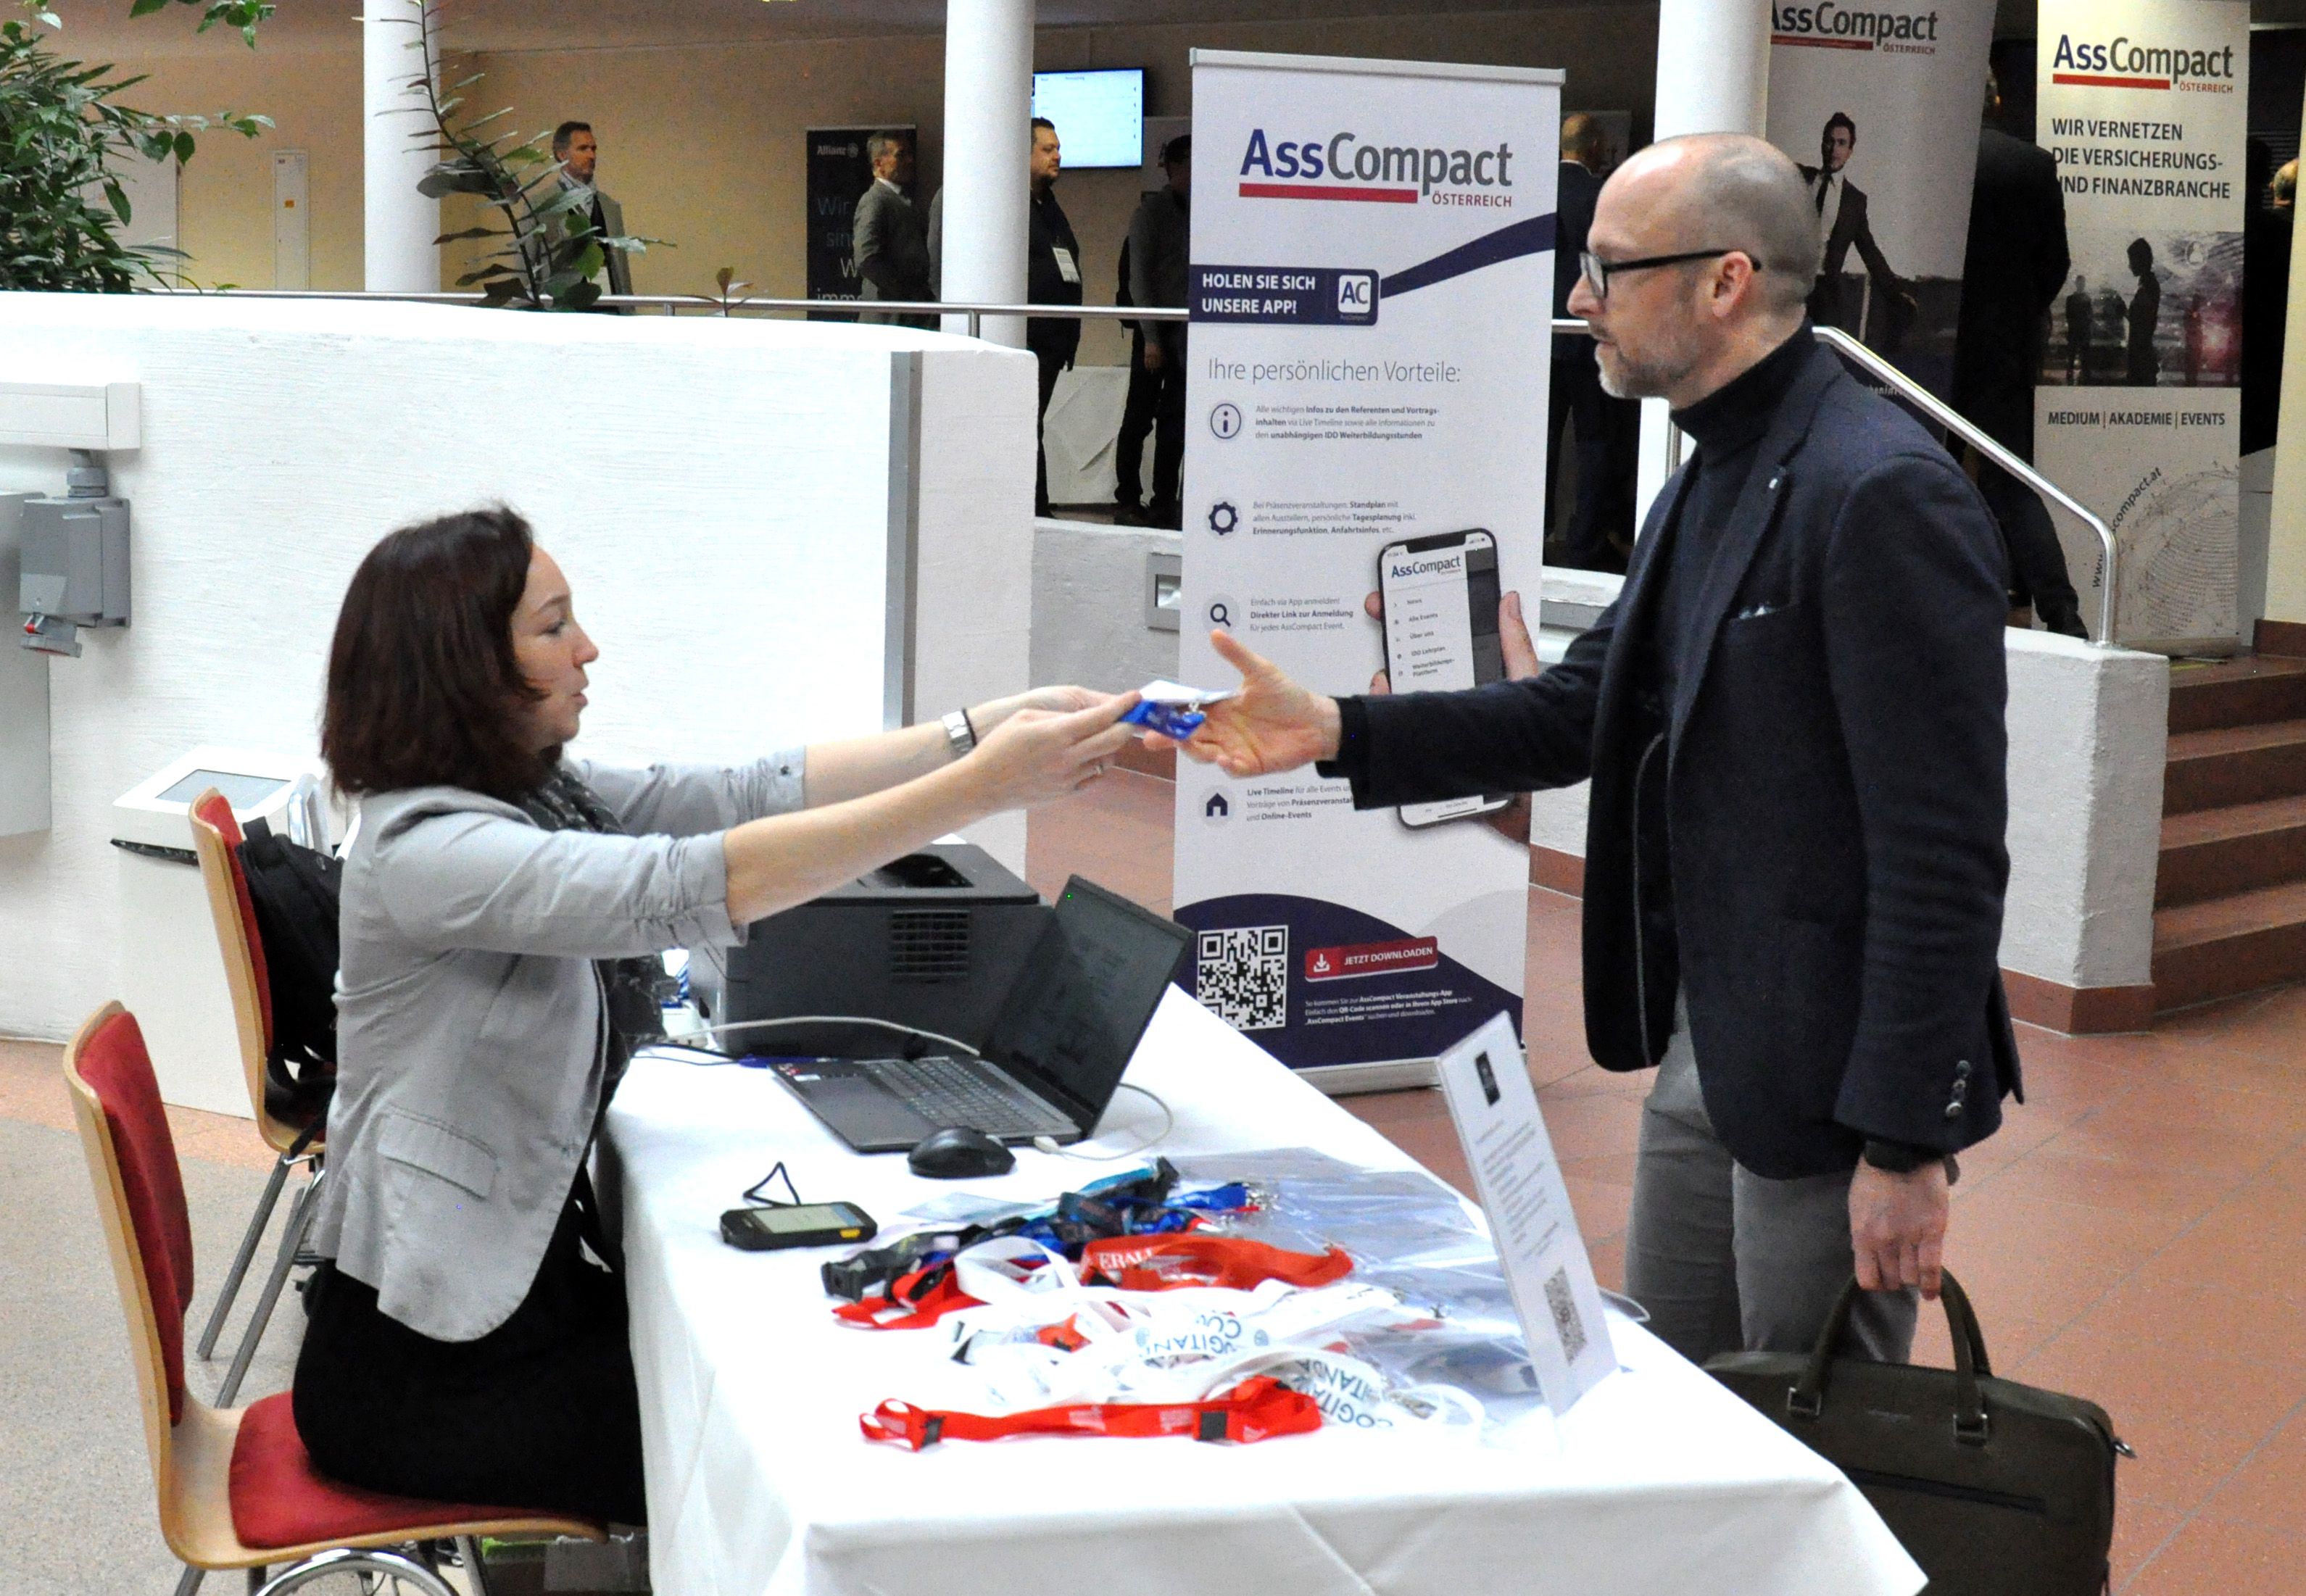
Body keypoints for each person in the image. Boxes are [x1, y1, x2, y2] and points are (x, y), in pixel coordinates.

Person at [1156, 133, 2018, 1369]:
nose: (1579, 296)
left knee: (1819, 1424)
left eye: (1608, 267)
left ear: (1724, 281)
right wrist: (1336, 728)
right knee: (1672, 1382)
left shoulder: (1878, 490)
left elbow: (1943, 853)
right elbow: (1577, 710)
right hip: (1715, 1039)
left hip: (1832, 1084)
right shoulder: (1713, 473)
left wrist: (1903, 1142)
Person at [292, 508, 1136, 1521]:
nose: (587, 649)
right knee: (789, 1453)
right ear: (465, 667)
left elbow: (745, 794)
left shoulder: (532, 794)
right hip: (424, 1371)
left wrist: (977, 731)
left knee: (792, 1364)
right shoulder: (428, 852)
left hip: (509, 1298)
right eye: (553, 627)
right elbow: (689, 884)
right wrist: (977, 788)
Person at [1953, 80, 2084, 637]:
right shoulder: (2031, 165)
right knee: (2011, 479)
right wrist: (2019, 312)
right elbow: (2055, 261)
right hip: (2002, 346)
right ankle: (2061, 611)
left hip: (1929, 344)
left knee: (1917, 469)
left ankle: (1935, 604)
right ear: (1996, 100)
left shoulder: (1929, 161)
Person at [1548, 113, 1631, 573]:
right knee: (1594, 443)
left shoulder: (1536, 190)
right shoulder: (1601, 196)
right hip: (1586, 339)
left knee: (1540, 442)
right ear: (1595, 146)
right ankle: (1585, 544)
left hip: (1541, 340)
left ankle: (1534, 532)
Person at [1124, 133, 1191, 530]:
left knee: (1175, 421)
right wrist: (1150, 336)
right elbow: (1140, 278)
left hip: (1186, 332)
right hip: (1155, 329)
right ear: (1174, 167)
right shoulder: (1151, 213)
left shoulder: (1201, 213)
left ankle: (1165, 499)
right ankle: (1128, 497)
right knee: (1139, 417)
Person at [1797, 112, 1915, 338]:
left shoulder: (1854, 201)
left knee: (1826, 348)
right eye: (1830, 141)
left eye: (1842, 143)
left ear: (1850, 151)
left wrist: (1895, 294)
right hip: (1792, 286)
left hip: (1825, 292)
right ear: (1822, 144)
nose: (1834, 149)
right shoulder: (1800, 178)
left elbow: (1869, 251)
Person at [1028, 117, 1085, 518]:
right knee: (1027, 424)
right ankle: (1036, 509)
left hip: (1053, 339)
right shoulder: (1011, 205)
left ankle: (1038, 508)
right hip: (1027, 337)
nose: (1057, 156)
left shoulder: (1050, 206)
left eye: (1058, 148)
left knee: (1033, 422)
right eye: (1048, 149)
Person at [852, 130, 934, 329]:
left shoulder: (903, 199)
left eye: (909, 154)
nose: (909, 161)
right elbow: (866, 257)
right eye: (900, 155)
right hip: (889, 317)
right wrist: (904, 293)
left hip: (907, 315)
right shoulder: (875, 200)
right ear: (879, 163)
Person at [547, 122, 632, 308]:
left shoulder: (610, 207)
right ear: (562, 155)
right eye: (583, 149)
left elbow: (621, 269)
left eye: (593, 149)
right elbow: (526, 269)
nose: (592, 155)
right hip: (564, 313)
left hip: (609, 308)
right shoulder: (542, 206)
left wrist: (628, 311)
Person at [2125, 238, 2160, 387]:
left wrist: (2124, 311)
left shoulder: (2148, 286)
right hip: (2142, 354)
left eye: (2131, 260)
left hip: (2141, 356)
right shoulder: (2148, 284)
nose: (2130, 265)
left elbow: (2141, 321)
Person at [2064, 275, 2092, 385]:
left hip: (2075, 330)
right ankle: (2084, 375)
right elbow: (2090, 316)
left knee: (2072, 354)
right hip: (2082, 330)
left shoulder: (2070, 299)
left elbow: (2068, 315)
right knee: (2084, 355)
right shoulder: (2087, 299)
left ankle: (2071, 374)